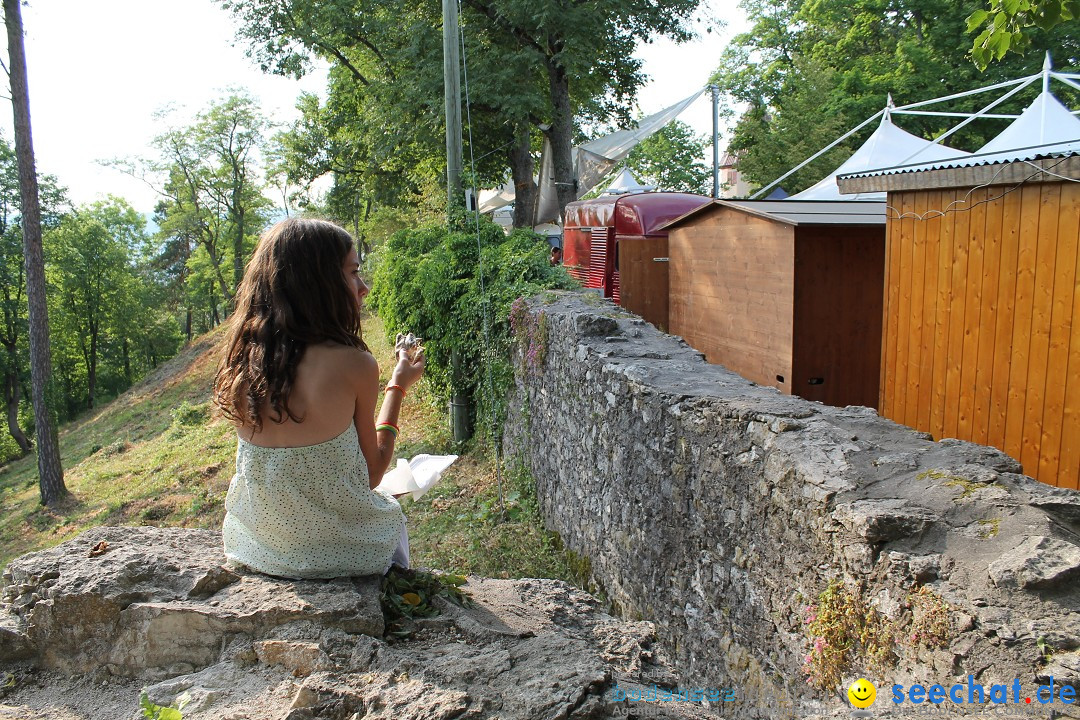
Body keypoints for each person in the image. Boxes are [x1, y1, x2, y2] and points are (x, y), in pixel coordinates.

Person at [212, 217, 425, 579]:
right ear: (317, 282)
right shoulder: (353, 364)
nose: (364, 287)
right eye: (353, 272)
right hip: (344, 555)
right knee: (391, 515)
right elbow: (373, 474)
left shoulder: (243, 361)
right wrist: (398, 386)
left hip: (260, 549)